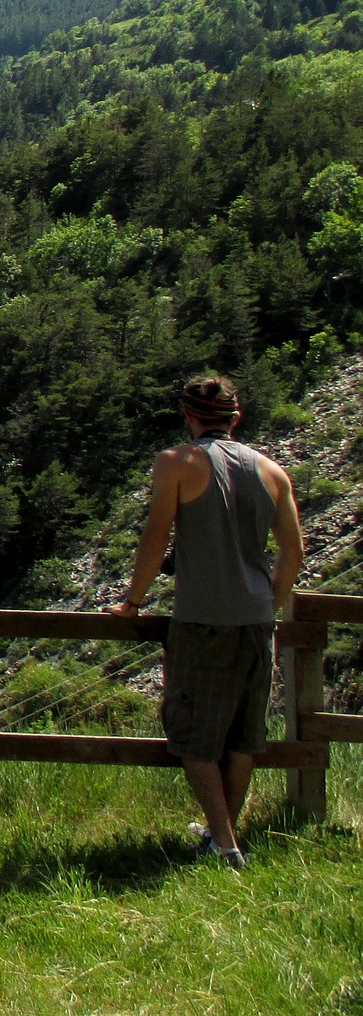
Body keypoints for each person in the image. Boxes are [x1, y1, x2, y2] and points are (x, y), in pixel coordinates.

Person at [107, 374, 303, 872]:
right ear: (236, 417)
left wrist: (132, 601)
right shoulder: (272, 471)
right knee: (243, 735)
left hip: (202, 617)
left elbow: (155, 537)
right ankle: (223, 835)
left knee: (192, 732)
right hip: (257, 621)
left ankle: (224, 843)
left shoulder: (176, 463)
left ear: (189, 415)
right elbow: (293, 552)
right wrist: (270, 605)